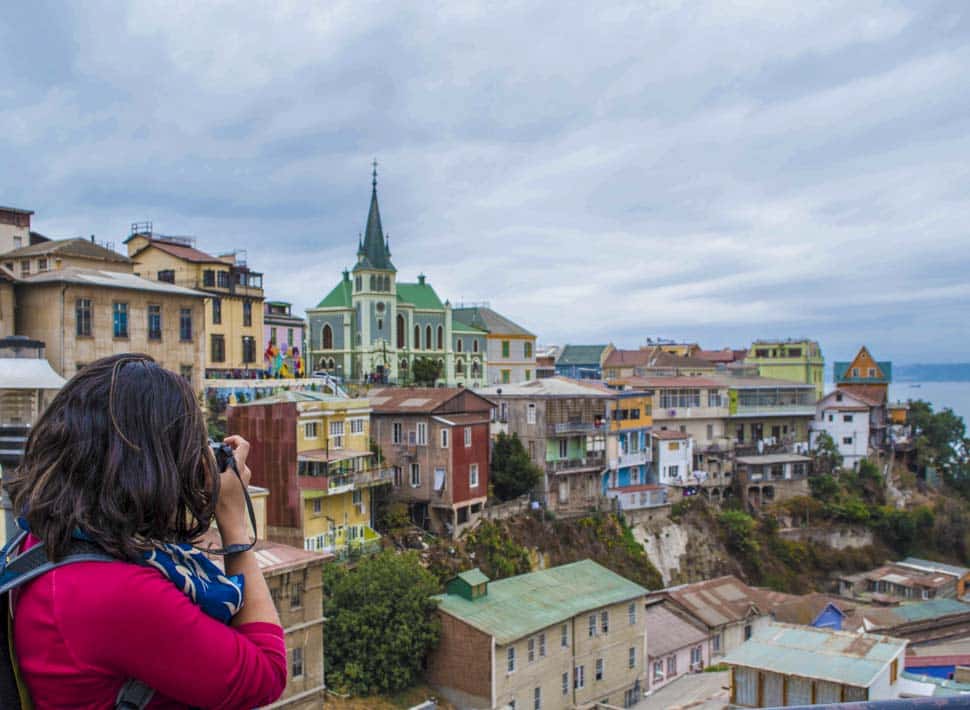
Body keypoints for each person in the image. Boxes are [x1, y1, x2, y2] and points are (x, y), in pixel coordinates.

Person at [4, 354, 287, 709]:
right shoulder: (116, 594)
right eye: (184, 449)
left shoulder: (52, 539)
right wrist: (233, 519)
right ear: (152, 466)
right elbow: (266, 674)